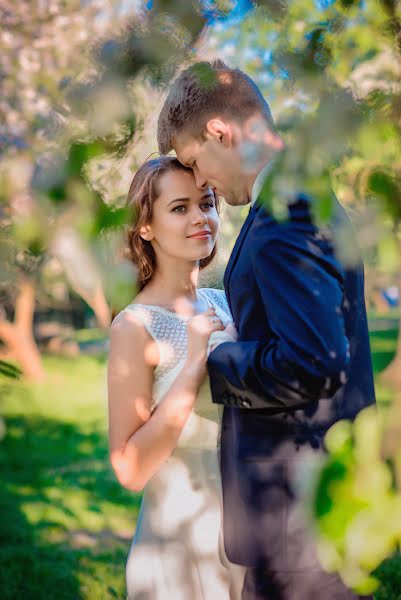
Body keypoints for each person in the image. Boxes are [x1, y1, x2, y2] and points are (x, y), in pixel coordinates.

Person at [157, 60, 376, 599]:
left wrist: (221, 358)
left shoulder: (288, 214)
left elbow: (315, 362)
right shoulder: (292, 200)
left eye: (194, 162)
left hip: (295, 519)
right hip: (306, 507)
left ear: (219, 132)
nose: (200, 180)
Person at [107, 156, 245, 599]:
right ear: (145, 226)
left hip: (248, 526)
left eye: (206, 204)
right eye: (180, 208)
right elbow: (129, 469)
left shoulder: (225, 302)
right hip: (181, 541)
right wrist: (194, 365)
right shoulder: (134, 325)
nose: (201, 218)